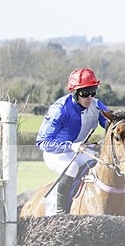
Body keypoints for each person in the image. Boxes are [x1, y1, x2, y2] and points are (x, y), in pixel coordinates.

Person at [35, 68, 111, 214]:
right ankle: (60, 211)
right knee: (72, 168)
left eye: (93, 91)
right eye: (85, 93)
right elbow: (42, 142)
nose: (90, 97)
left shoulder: (96, 105)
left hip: (80, 148)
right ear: (75, 92)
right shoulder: (60, 109)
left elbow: (110, 123)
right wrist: (70, 146)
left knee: (103, 163)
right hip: (55, 152)